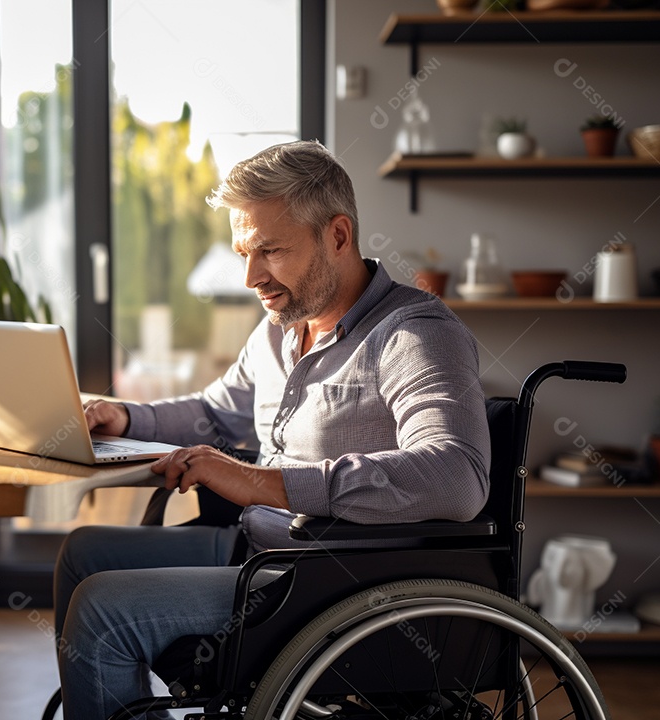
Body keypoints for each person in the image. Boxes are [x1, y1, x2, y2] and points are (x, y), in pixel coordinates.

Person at [54, 140, 491, 719]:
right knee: (83, 554)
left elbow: (457, 477)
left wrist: (262, 482)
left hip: (323, 578)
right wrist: (128, 417)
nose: (251, 276)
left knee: (102, 610)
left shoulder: (414, 333)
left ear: (338, 236)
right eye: (244, 252)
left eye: (271, 251)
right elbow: (215, 412)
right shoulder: (278, 330)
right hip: (256, 546)